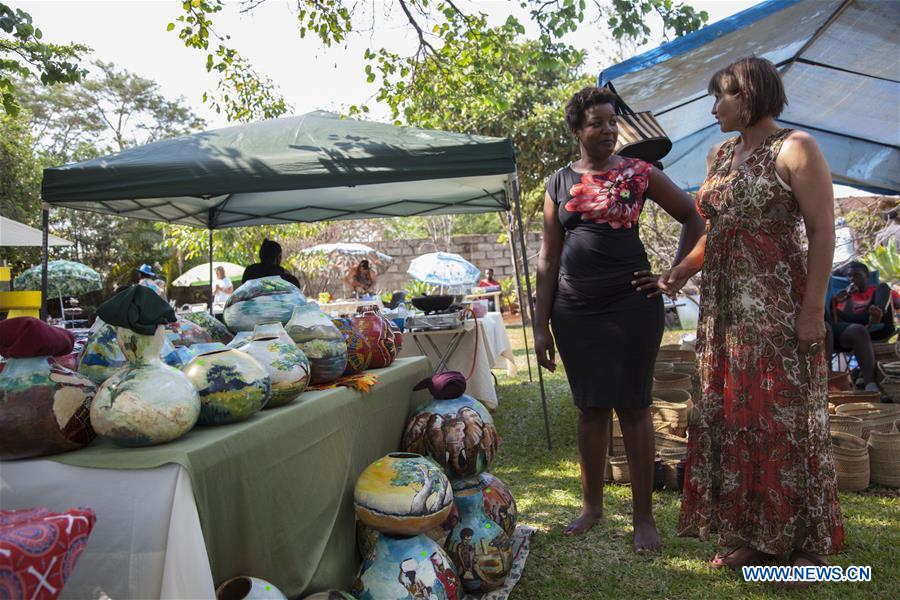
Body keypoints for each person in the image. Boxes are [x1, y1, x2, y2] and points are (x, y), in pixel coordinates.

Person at [660, 57, 844, 575]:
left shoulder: (796, 148)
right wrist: (683, 268)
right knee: (736, 419)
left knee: (784, 419)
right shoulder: (721, 155)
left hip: (777, 307)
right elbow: (719, 228)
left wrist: (812, 312)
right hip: (724, 314)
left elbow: (823, 232)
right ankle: (751, 533)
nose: (714, 106)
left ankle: (800, 538)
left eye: (723, 95)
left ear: (752, 95)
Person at [534, 86, 705, 552]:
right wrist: (539, 325)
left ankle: (643, 518)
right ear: (577, 130)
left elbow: (694, 217)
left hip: (632, 306)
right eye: (597, 123)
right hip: (575, 311)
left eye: (613, 122)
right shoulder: (558, 183)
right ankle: (591, 507)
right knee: (590, 407)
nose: (608, 130)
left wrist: (673, 275)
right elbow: (548, 261)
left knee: (633, 406)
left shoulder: (639, 173)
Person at [826, 261, 895, 393]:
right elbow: (840, 320)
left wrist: (876, 313)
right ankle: (868, 383)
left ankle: (877, 313)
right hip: (855, 329)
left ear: (867, 276)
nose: (852, 279)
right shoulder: (844, 295)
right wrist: (838, 301)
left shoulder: (876, 290)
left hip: (879, 328)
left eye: (857, 275)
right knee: (857, 329)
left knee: (884, 287)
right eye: (850, 276)